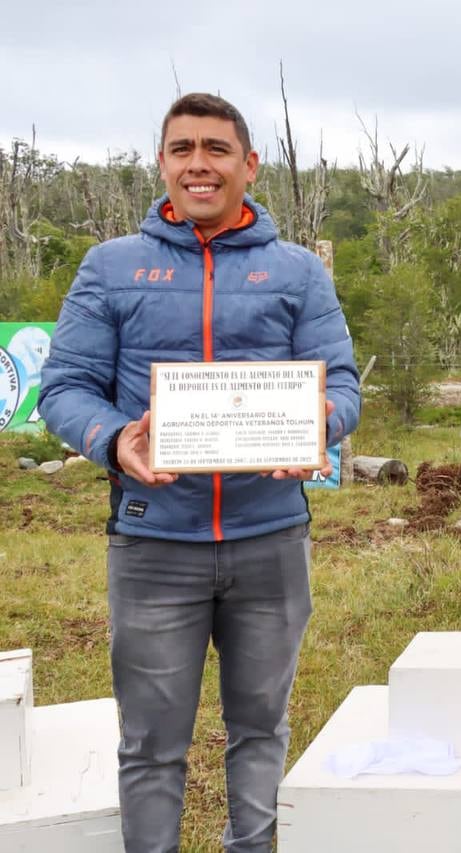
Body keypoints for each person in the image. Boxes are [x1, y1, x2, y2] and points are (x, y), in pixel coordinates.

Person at [39, 93, 361, 853]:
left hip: (271, 538)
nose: (198, 164)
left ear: (249, 165)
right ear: (162, 164)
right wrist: (115, 439)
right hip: (153, 545)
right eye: (182, 149)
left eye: (216, 149)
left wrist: (319, 422)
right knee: (151, 743)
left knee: (260, 727)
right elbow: (63, 388)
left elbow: (342, 385)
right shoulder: (112, 267)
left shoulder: (299, 271)